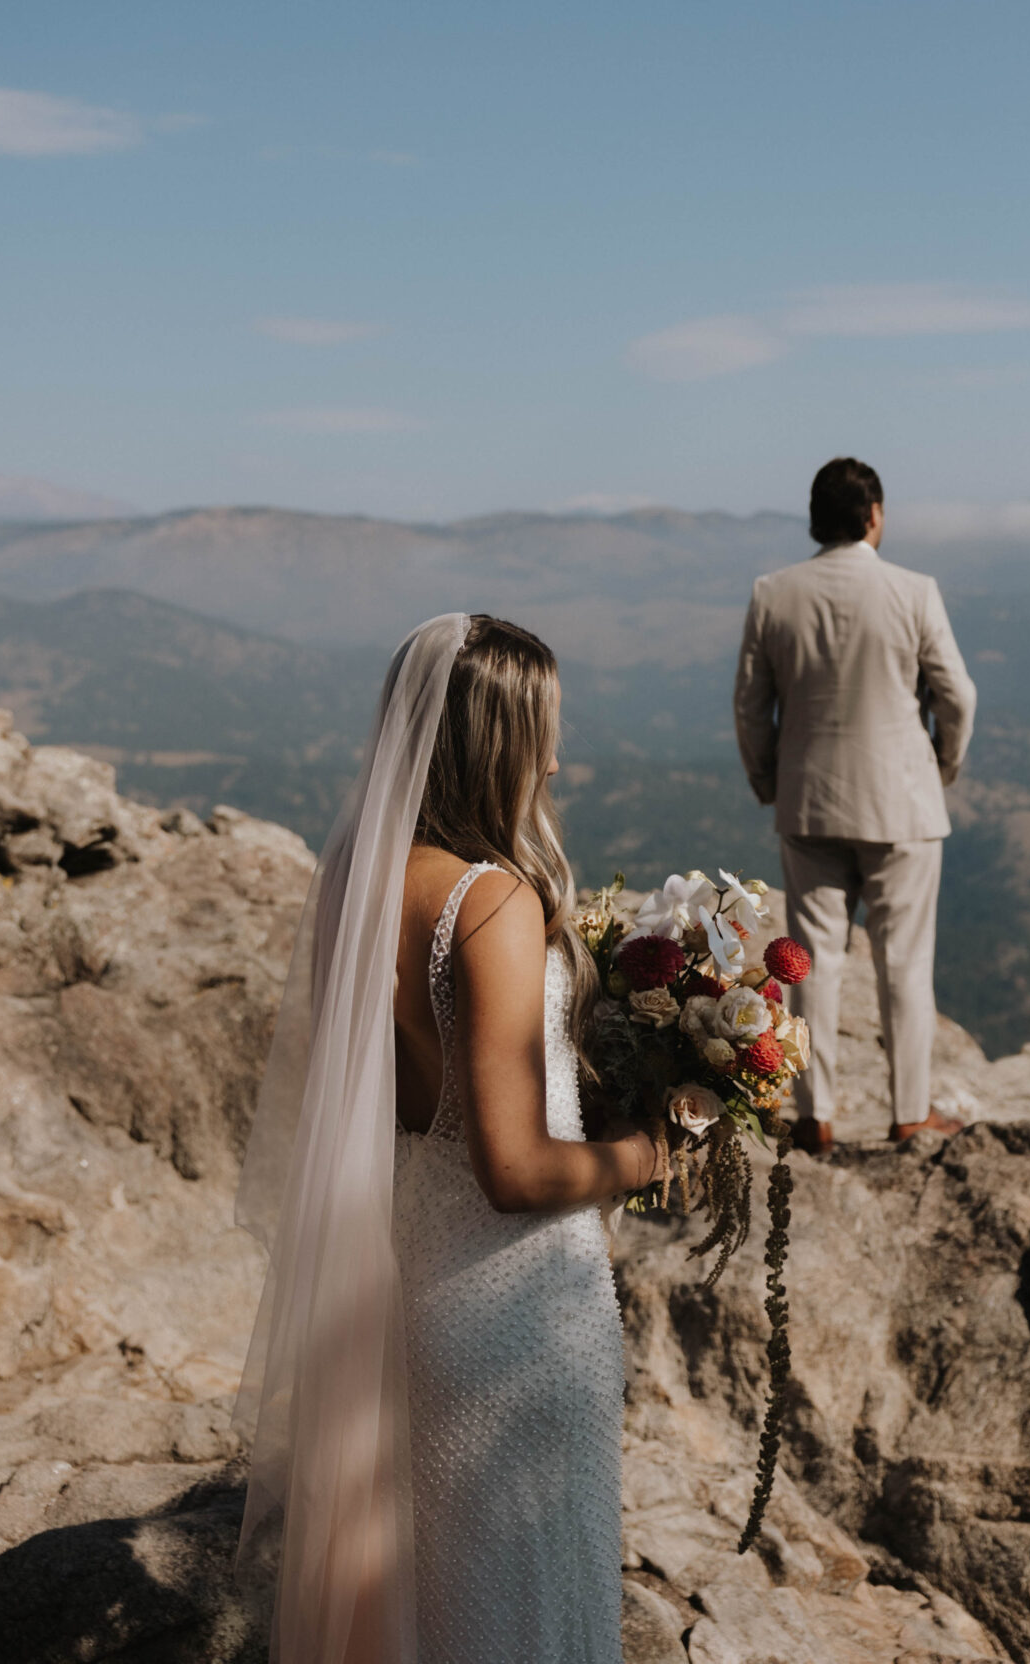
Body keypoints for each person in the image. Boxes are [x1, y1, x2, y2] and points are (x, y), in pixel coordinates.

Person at [236, 613, 668, 1664]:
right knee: (531, 1608)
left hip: (415, 1293)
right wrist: (657, 1150)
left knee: (442, 1608)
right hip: (521, 1315)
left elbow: (408, 1101)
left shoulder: (355, 876)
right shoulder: (490, 904)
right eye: (542, 733)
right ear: (497, 743)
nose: (557, 758)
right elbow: (515, 1167)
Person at [733, 457, 977, 1151]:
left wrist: (769, 781)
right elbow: (956, 695)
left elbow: (751, 707)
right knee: (904, 961)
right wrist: (943, 766)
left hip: (808, 801)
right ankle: (908, 1114)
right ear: (873, 517)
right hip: (902, 802)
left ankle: (815, 1117)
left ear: (815, 520)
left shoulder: (772, 593)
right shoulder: (913, 590)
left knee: (812, 961)